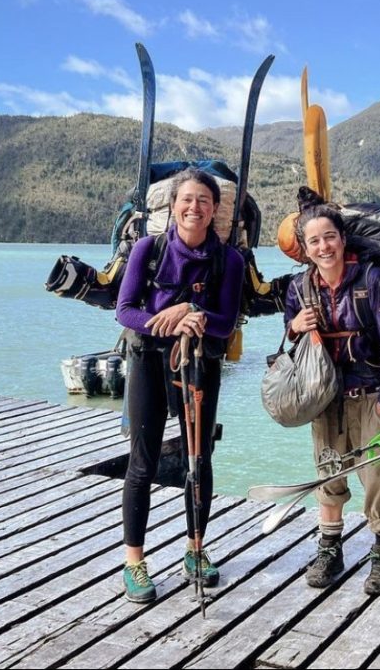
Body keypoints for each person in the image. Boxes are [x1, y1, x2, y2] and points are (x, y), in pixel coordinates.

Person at [116, 167, 244, 603]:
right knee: (143, 460)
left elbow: (226, 323)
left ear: (214, 210)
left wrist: (195, 311)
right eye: (187, 199)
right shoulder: (148, 251)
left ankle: (195, 549)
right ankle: (134, 561)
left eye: (203, 201)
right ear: (173, 206)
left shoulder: (230, 260)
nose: (195, 207)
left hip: (200, 365)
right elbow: (125, 311)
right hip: (150, 361)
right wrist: (169, 319)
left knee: (198, 457)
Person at [283, 202, 380, 595]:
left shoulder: (371, 277)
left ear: (343, 238)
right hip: (325, 397)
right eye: (314, 241)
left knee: (379, 476)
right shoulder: (299, 288)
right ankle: (330, 550)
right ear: (304, 247)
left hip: (371, 394)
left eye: (329, 237)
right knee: (328, 473)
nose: (324, 247)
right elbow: (292, 347)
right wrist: (294, 326)